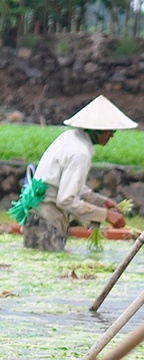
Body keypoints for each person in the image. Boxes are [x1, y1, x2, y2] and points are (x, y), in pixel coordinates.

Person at [19, 95, 134, 252]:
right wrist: (105, 215)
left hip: (36, 217)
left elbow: (64, 182)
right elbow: (65, 200)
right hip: (47, 222)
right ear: (98, 130)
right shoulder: (80, 152)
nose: (112, 135)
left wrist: (99, 200)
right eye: (111, 130)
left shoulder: (69, 138)